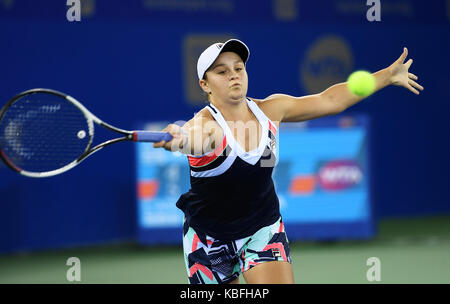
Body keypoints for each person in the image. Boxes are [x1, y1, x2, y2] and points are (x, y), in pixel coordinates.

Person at [153, 39, 423, 284]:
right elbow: (191, 138)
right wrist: (177, 138)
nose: (234, 74)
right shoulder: (205, 125)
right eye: (222, 71)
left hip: (262, 228)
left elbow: (329, 100)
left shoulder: (271, 109)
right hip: (209, 240)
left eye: (238, 68)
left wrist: (388, 75)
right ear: (205, 84)